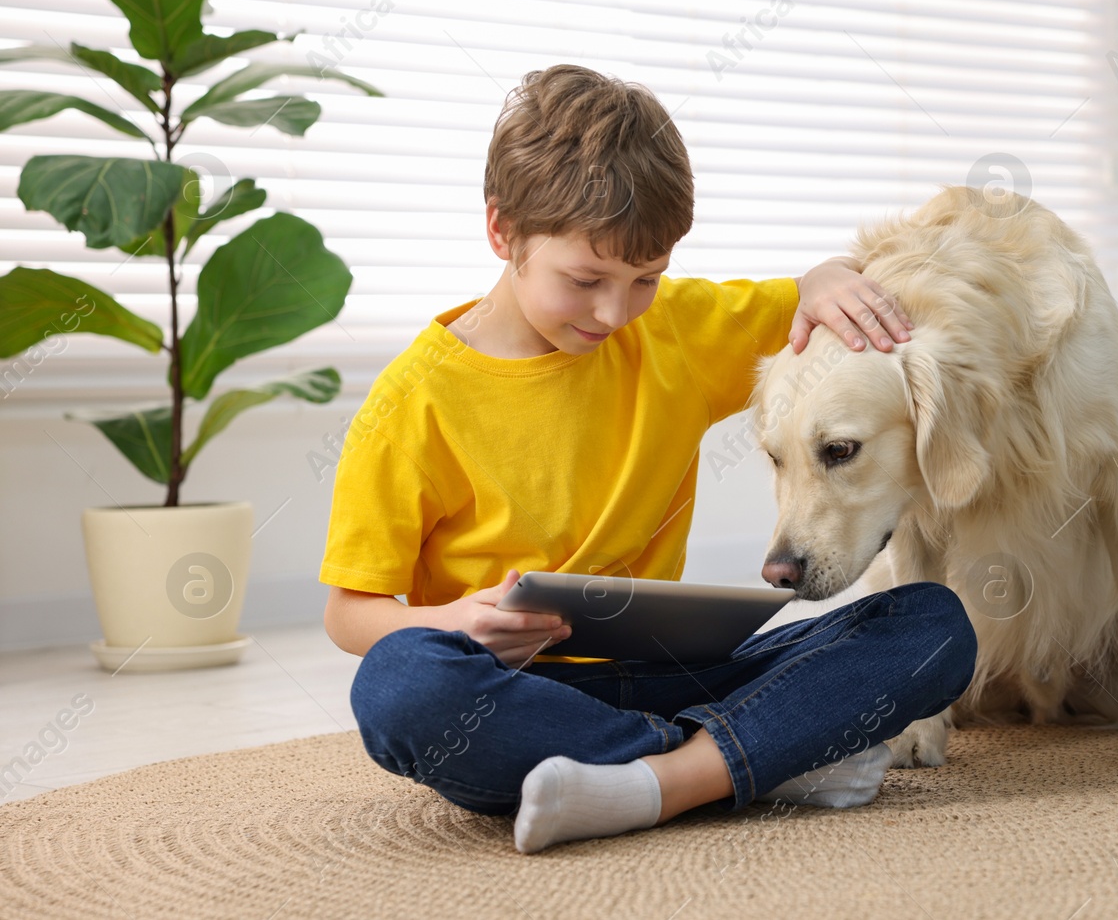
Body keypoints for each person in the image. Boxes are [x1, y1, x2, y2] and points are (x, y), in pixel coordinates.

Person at [319, 64, 977, 854]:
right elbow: (349, 614)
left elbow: (807, 297)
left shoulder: (671, 327)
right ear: (503, 232)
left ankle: (657, 774)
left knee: (934, 624)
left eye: (645, 279)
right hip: (522, 693)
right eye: (585, 278)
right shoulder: (409, 407)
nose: (613, 310)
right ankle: (732, 761)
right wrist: (457, 622)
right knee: (400, 684)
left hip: (684, 673)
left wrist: (832, 275)